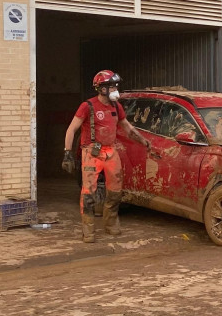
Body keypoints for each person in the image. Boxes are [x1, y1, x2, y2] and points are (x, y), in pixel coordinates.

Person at [61, 70, 153, 243]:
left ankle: (110, 223)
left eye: (115, 86)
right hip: (91, 152)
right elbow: (72, 129)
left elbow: (127, 127)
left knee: (115, 191)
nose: (115, 89)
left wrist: (143, 140)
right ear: (101, 88)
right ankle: (88, 230)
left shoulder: (116, 106)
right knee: (89, 192)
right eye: (111, 86)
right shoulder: (87, 106)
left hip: (111, 151)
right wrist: (67, 153)